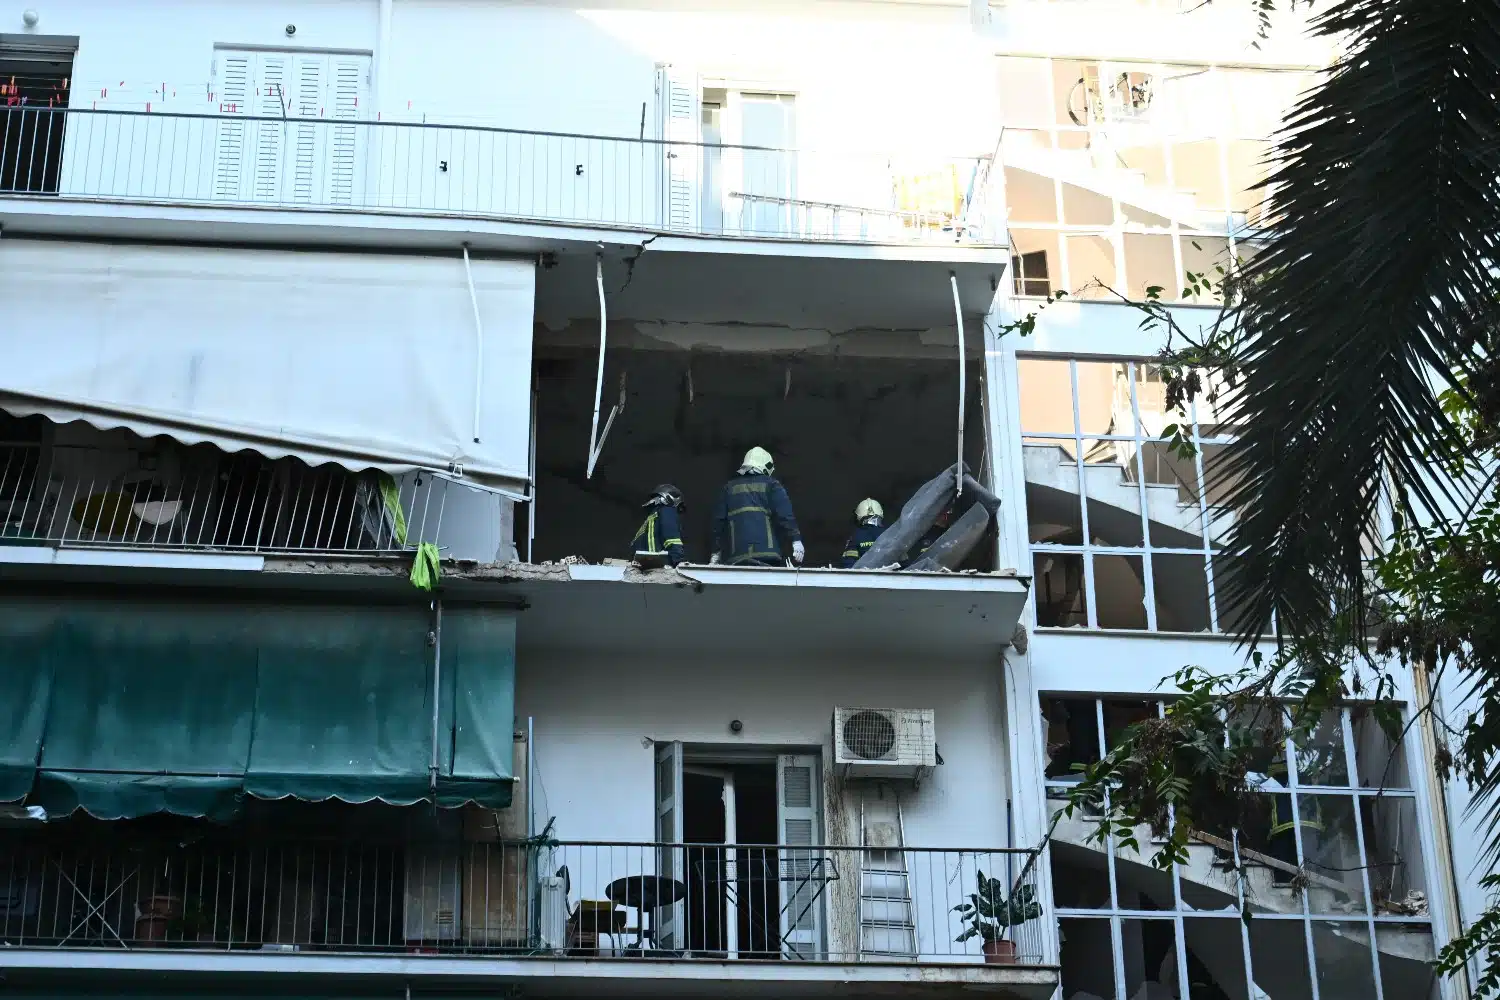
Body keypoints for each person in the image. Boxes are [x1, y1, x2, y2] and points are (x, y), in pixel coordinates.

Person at [710, 447, 803, 567]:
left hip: (737, 557)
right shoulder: (772, 485)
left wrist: (715, 553)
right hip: (768, 555)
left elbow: (718, 524)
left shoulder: (729, 488)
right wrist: (796, 540)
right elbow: (785, 515)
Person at [631, 484, 686, 566]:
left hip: (641, 567)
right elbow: (672, 539)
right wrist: (679, 561)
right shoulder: (667, 511)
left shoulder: (648, 521)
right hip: (658, 566)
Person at [839, 498, 886, 568]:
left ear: (858, 517)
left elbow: (849, 564)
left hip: (863, 574)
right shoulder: (889, 533)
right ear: (881, 514)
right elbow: (900, 561)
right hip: (887, 573)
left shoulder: (855, 536)